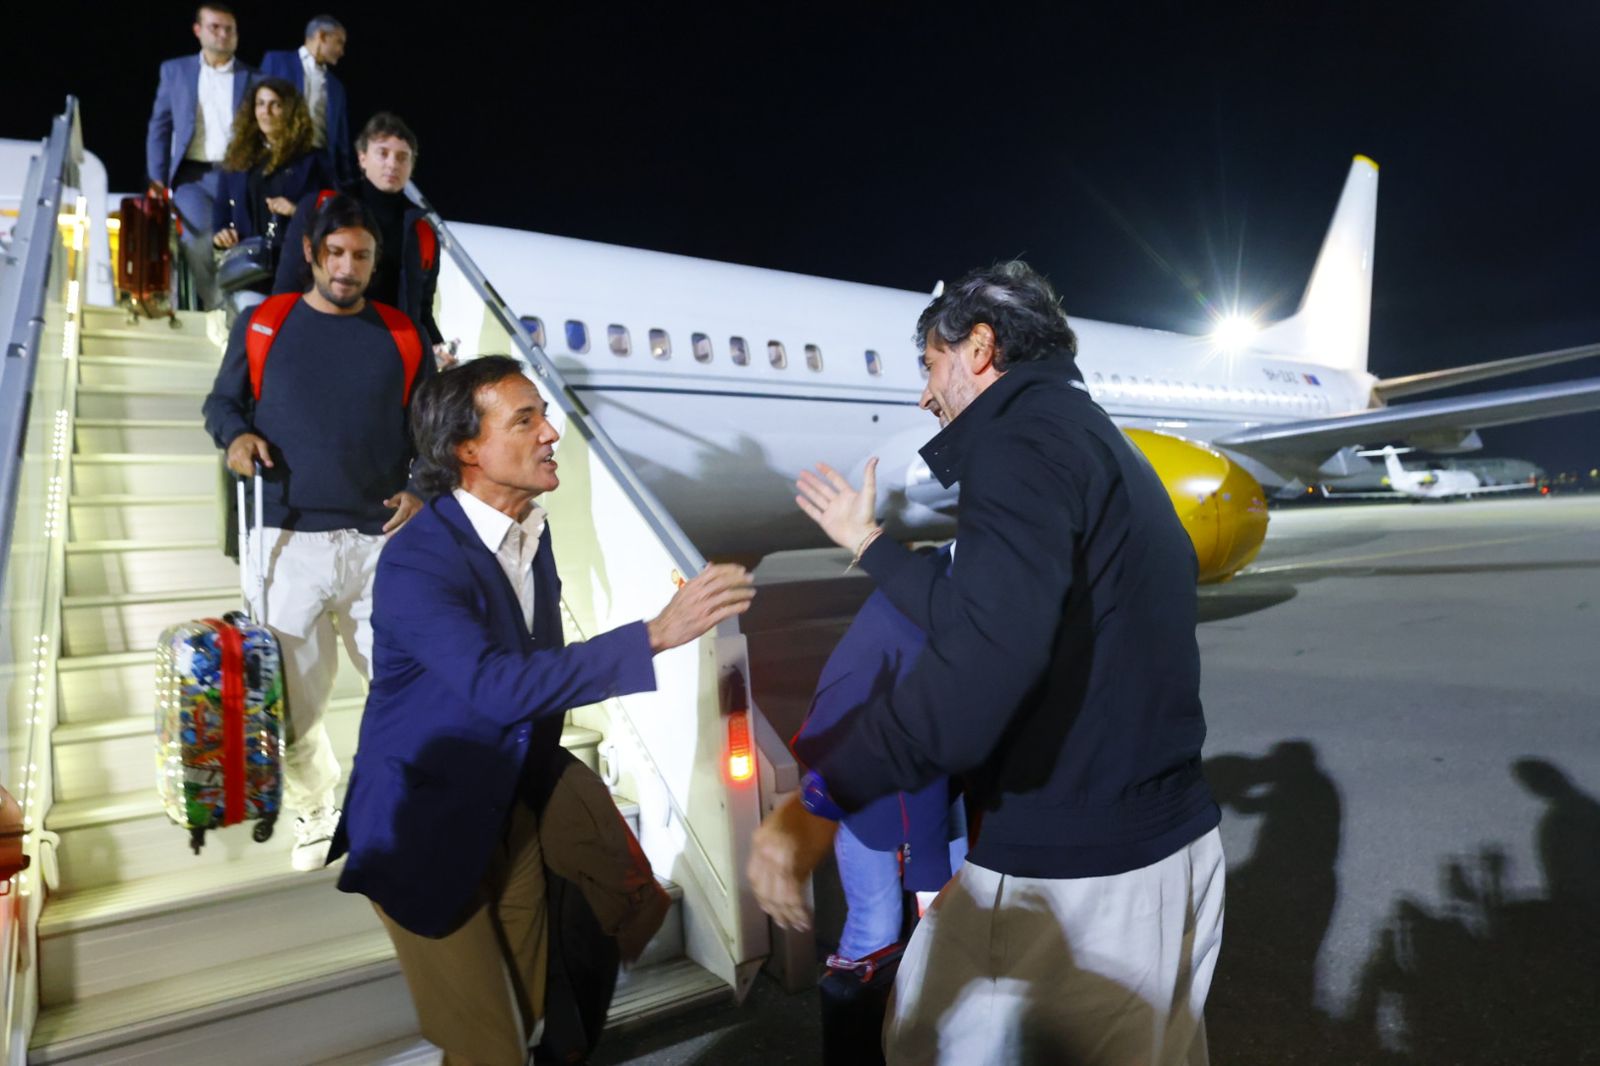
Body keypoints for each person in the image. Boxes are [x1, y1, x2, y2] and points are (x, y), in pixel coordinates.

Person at [748, 261, 1226, 1066]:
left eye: (929, 365)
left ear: (978, 348)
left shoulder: (1017, 443)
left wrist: (821, 799)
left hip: (1077, 877)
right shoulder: (1092, 441)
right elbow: (991, 618)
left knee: (924, 1036)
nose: (923, 395)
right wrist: (871, 546)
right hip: (1168, 853)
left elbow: (980, 669)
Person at [330, 355, 755, 1066]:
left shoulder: (532, 532)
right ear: (467, 448)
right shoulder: (418, 560)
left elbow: (534, 676)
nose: (551, 433)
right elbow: (497, 687)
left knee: (526, 1017)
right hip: (424, 830)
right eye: (525, 420)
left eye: (544, 416)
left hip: (509, 815)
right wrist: (654, 634)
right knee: (490, 1049)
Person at [201, 193, 432, 872]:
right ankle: (316, 808)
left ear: (374, 261)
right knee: (292, 705)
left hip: (378, 541)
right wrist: (235, 435)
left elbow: (433, 428)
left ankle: (399, 799)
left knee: (406, 684)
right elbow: (222, 402)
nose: (347, 267)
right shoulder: (266, 324)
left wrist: (422, 485)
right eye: (335, 253)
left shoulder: (402, 334)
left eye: (361, 255)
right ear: (310, 252)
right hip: (285, 539)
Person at [792, 544, 967, 1066]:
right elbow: (921, 753)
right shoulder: (933, 612)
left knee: (926, 920)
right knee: (884, 921)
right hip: (870, 781)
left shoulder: (941, 579)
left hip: (909, 776)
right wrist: (928, 878)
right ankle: (861, 1044)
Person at [273, 112, 447, 357]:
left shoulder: (422, 232)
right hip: (317, 342)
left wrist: (436, 349)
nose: (392, 164)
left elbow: (421, 312)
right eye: (383, 153)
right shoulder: (320, 208)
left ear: (411, 166)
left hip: (385, 355)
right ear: (362, 157)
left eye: (402, 157)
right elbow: (286, 287)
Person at [145, 3, 256, 311]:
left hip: (238, 173)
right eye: (214, 27)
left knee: (241, 239)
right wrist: (156, 177)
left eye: (229, 29)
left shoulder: (254, 77)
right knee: (198, 240)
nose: (222, 34)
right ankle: (217, 308)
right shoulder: (175, 71)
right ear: (198, 30)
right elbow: (160, 126)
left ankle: (244, 306)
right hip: (192, 176)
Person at [212, 77, 330, 314]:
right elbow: (221, 212)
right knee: (251, 316)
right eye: (260, 104)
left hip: (296, 269)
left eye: (275, 104)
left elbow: (330, 212)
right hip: (249, 271)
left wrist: (296, 210)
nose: (265, 112)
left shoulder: (312, 161)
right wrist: (221, 235)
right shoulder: (237, 159)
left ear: (290, 110)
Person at [260, 15, 355, 185]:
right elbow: (256, 108)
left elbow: (342, 141)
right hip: (278, 160)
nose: (342, 51)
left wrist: (346, 180)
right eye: (339, 42)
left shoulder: (336, 87)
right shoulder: (276, 61)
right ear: (322, 36)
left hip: (319, 169)